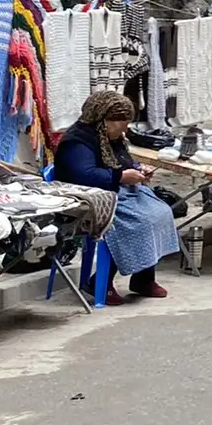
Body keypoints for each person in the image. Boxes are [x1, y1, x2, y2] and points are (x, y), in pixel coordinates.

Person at [53, 90, 179, 304]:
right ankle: (99, 281)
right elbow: (84, 175)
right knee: (139, 221)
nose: (124, 128)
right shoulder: (77, 141)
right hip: (87, 197)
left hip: (113, 190)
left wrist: (138, 170)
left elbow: (122, 163)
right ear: (102, 120)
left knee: (162, 211)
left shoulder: (111, 138)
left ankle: (143, 279)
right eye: (119, 122)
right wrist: (121, 176)